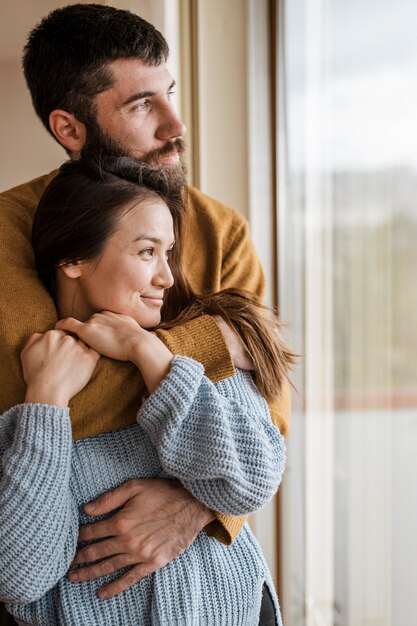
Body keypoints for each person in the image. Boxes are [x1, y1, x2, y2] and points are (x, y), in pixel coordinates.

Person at [0, 2, 291, 617]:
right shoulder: (7, 229)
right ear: (70, 128)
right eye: (141, 105)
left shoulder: (222, 230)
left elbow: (268, 418)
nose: (175, 125)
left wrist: (196, 504)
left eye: (171, 94)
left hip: (223, 591)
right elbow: (43, 384)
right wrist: (214, 344)